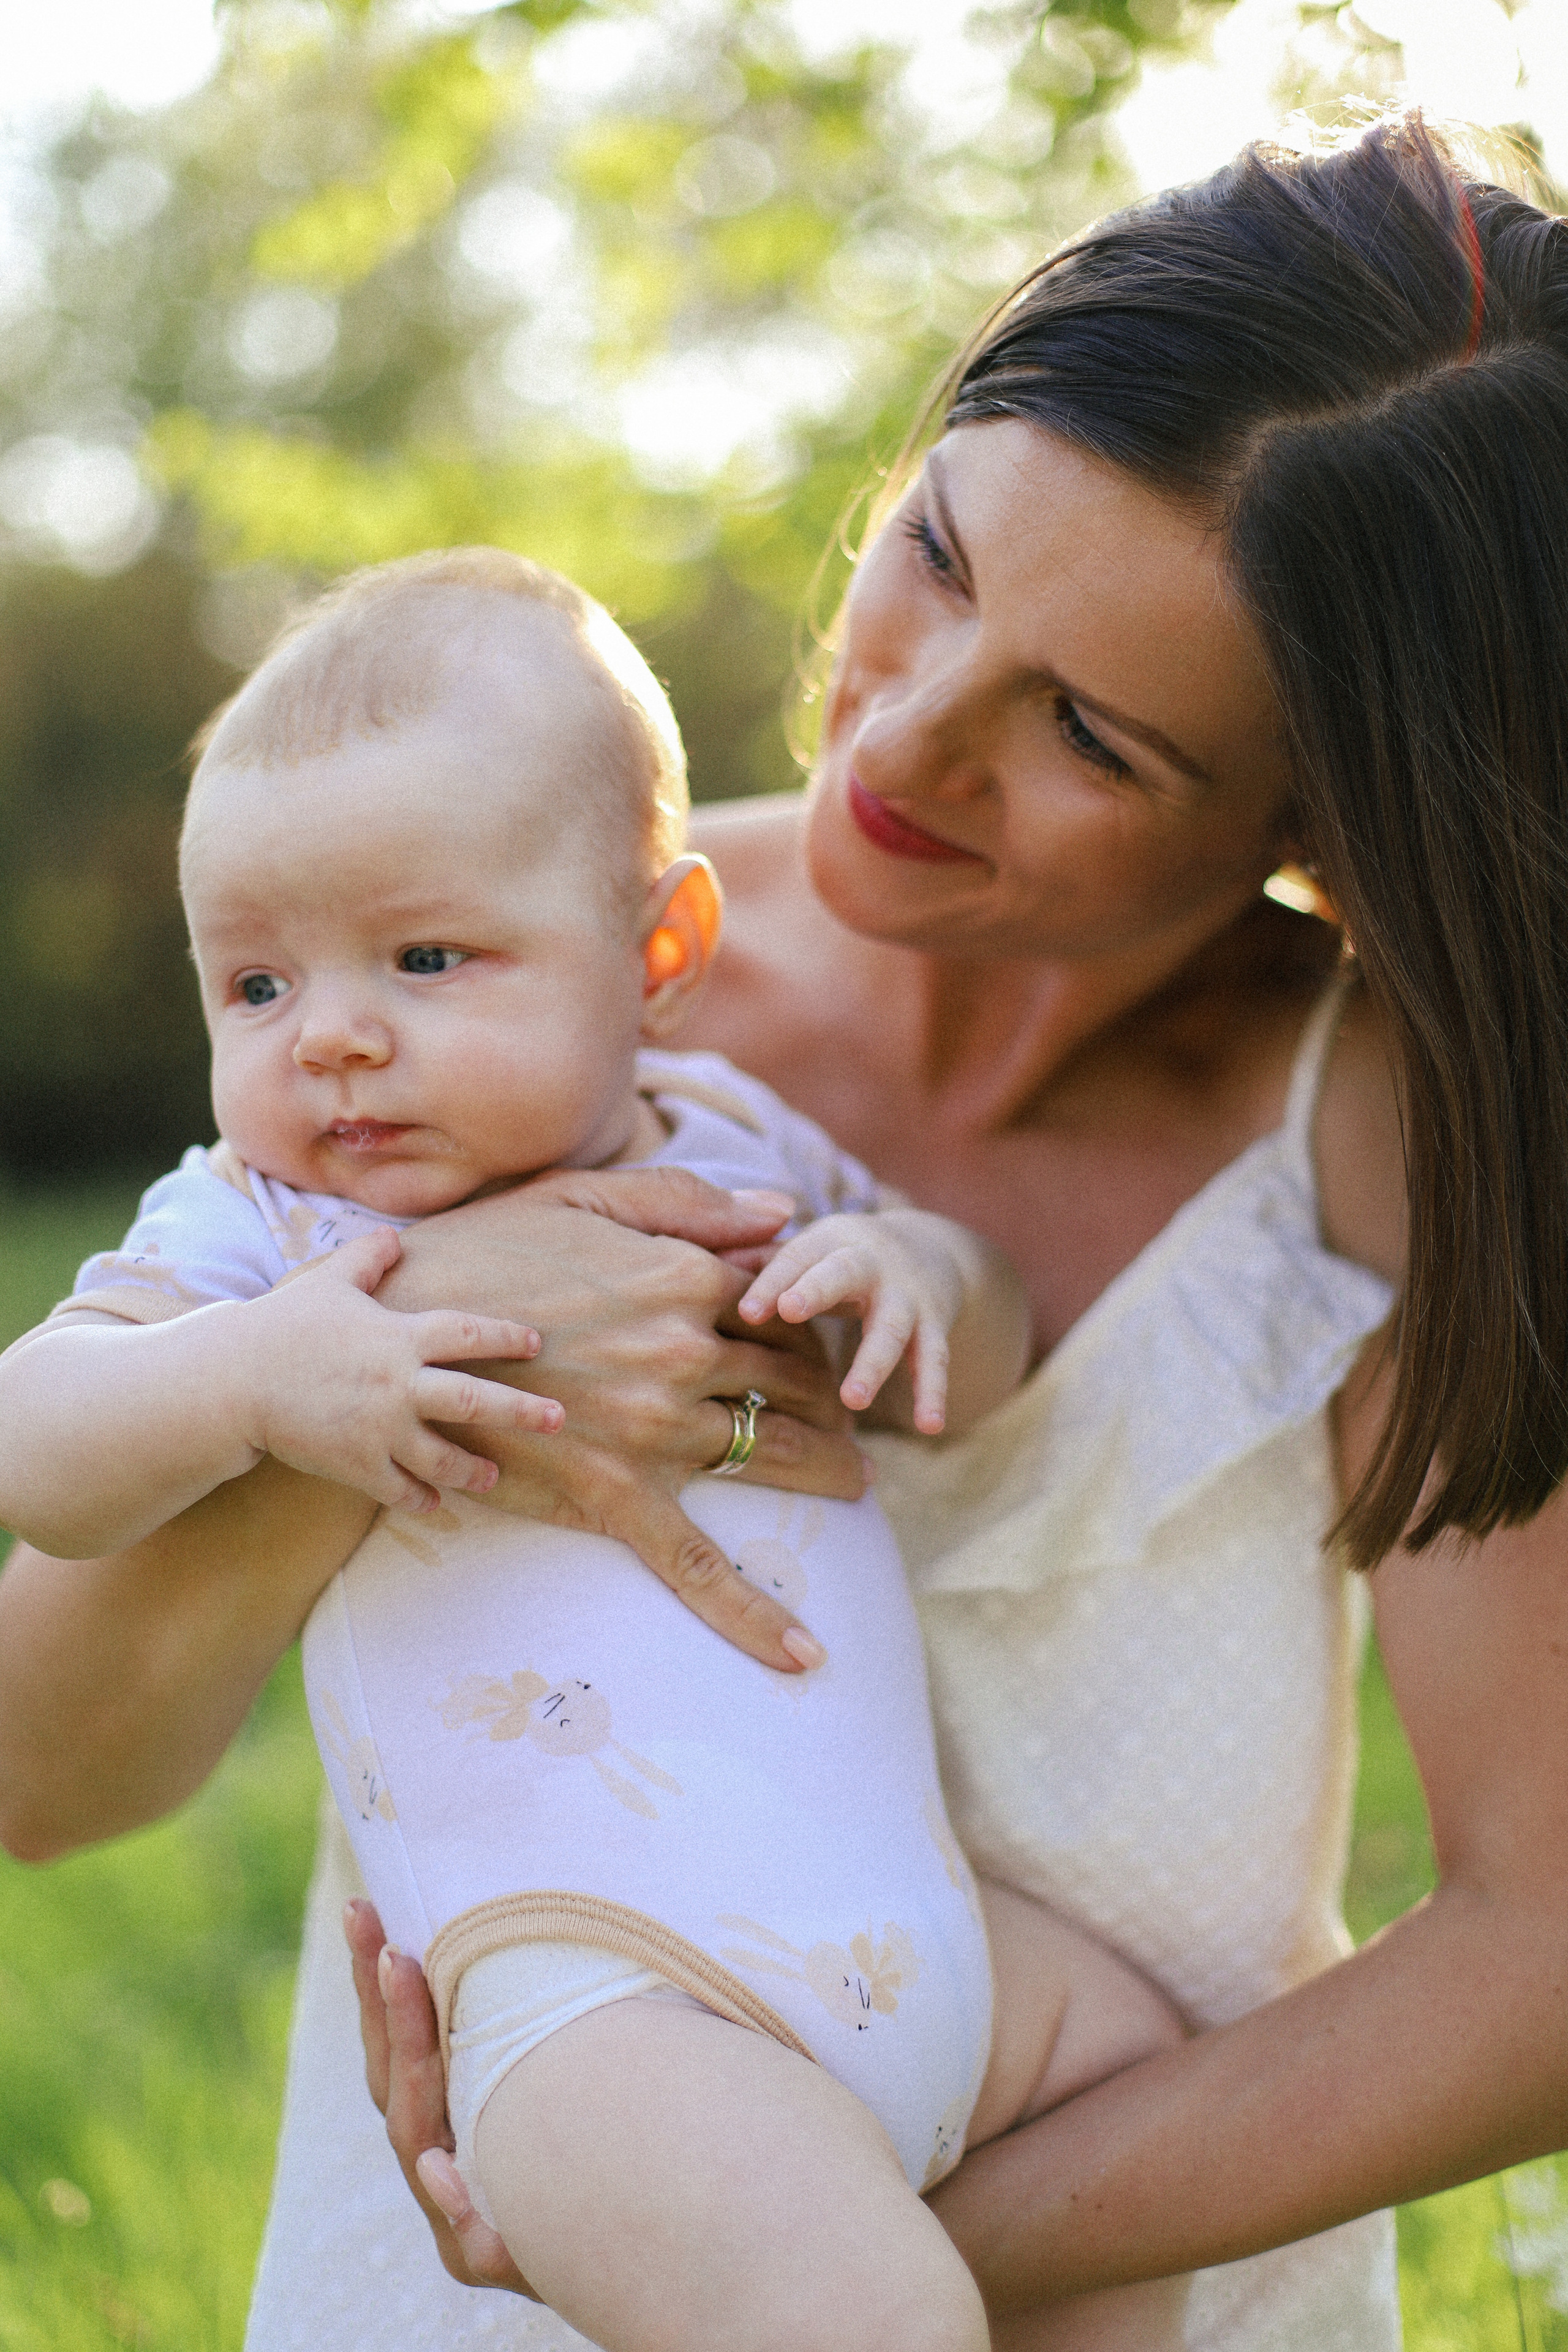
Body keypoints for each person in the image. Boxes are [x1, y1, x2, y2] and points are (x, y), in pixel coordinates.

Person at [4, 110, 1568, 2351]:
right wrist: (437, 1340)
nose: (901, 741)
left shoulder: (1401, 1134)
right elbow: (48, 1775)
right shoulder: (472, 977)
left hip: (1097, 2215)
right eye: (939, 550)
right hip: (546, 2155)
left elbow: (1543, 1951)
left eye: (1090, 733)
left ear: (1323, 815)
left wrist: (841, 2265)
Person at [0, 549, 1186, 2352]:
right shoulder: (272, 1236)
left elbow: (991, 1344)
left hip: (921, 1937)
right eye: (254, 985)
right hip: (600, 1997)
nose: (334, 1036)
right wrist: (250, 1379)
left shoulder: (733, 1138)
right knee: (869, 2324)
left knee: (1136, 2091)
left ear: (661, 956)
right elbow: (38, 1441)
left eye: (425, 957)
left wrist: (923, 1270)